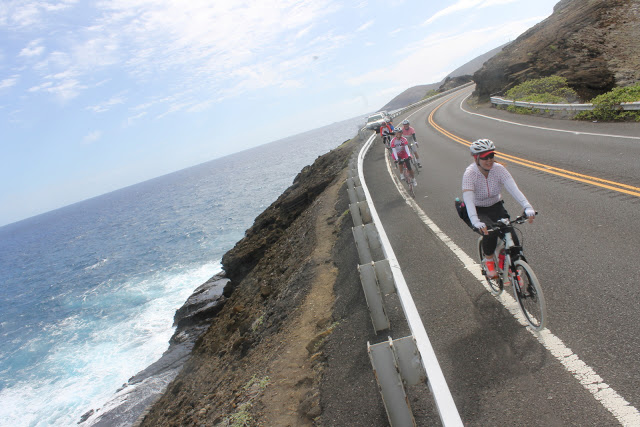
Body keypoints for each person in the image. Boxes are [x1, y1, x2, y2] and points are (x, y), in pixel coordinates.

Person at [462, 139, 535, 278]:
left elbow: (514, 189)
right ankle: (489, 259)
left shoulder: (499, 169)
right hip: (478, 209)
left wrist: (527, 206)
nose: (489, 160)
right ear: (475, 158)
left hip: (496, 206)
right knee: (490, 232)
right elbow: (468, 200)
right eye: (485, 157)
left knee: (513, 239)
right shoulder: (470, 174)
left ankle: (506, 261)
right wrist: (475, 221)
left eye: (491, 156)